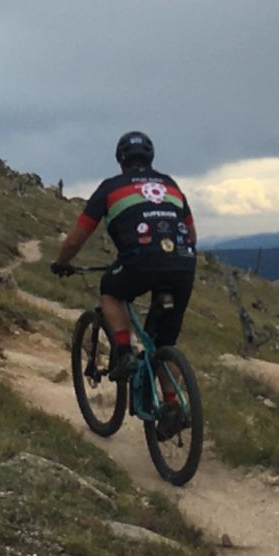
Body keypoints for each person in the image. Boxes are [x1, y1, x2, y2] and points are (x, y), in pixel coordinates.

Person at [51, 130, 197, 384]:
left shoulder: (110, 188)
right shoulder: (171, 185)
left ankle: (124, 353)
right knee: (165, 343)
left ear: (120, 160)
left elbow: (76, 239)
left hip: (141, 261)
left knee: (111, 290)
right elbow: (192, 234)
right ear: (151, 159)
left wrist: (61, 263)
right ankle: (173, 405)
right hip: (183, 263)